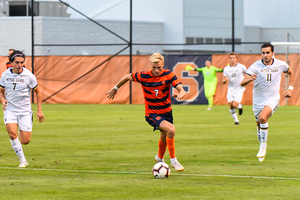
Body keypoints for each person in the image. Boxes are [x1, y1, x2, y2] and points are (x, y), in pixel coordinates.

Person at [106, 53, 186, 171]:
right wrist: (115, 88)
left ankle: (159, 158)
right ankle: (174, 160)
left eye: (159, 67)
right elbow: (127, 77)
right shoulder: (143, 76)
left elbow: (182, 90)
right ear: (151, 65)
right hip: (152, 113)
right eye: (154, 67)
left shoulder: (169, 74)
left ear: (162, 65)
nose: (156, 70)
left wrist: (180, 94)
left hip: (167, 112)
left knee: (164, 136)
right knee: (171, 130)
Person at [240, 43, 294, 162]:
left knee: (263, 118)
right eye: (263, 53)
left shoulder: (280, 64)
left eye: (268, 52)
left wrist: (290, 88)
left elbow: (290, 72)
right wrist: (249, 78)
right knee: (259, 125)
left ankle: (263, 146)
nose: (265, 55)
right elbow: (242, 82)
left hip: (273, 99)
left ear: (273, 53)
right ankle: (261, 139)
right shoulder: (255, 66)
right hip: (258, 101)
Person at [0, 50, 44, 167]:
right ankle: (23, 161)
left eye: (22, 62)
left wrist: (39, 110)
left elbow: (38, 92)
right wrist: (3, 100)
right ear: (11, 63)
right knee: (12, 134)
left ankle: (20, 128)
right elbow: (1, 91)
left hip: (24, 111)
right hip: (10, 110)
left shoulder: (29, 76)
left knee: (25, 141)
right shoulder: (5, 75)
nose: (20, 65)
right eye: (17, 62)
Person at [222, 52, 247, 125]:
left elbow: (247, 74)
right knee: (230, 105)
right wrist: (224, 81)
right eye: (231, 58)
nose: (232, 60)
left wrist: (245, 80)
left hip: (239, 88)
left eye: (233, 58)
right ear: (229, 59)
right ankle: (236, 121)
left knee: (234, 105)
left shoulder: (242, 67)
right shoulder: (226, 69)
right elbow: (223, 80)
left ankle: (239, 106)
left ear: (236, 59)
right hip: (230, 88)